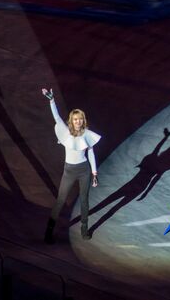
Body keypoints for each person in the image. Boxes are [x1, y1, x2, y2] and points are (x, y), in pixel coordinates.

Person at [41, 88, 101, 243]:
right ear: (71, 120)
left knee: (84, 200)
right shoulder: (65, 131)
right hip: (69, 170)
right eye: (75, 119)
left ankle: (84, 228)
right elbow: (56, 116)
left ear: (83, 120)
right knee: (60, 200)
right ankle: (49, 231)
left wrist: (94, 174)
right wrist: (52, 100)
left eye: (80, 119)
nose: (78, 121)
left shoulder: (87, 134)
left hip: (84, 170)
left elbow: (91, 154)